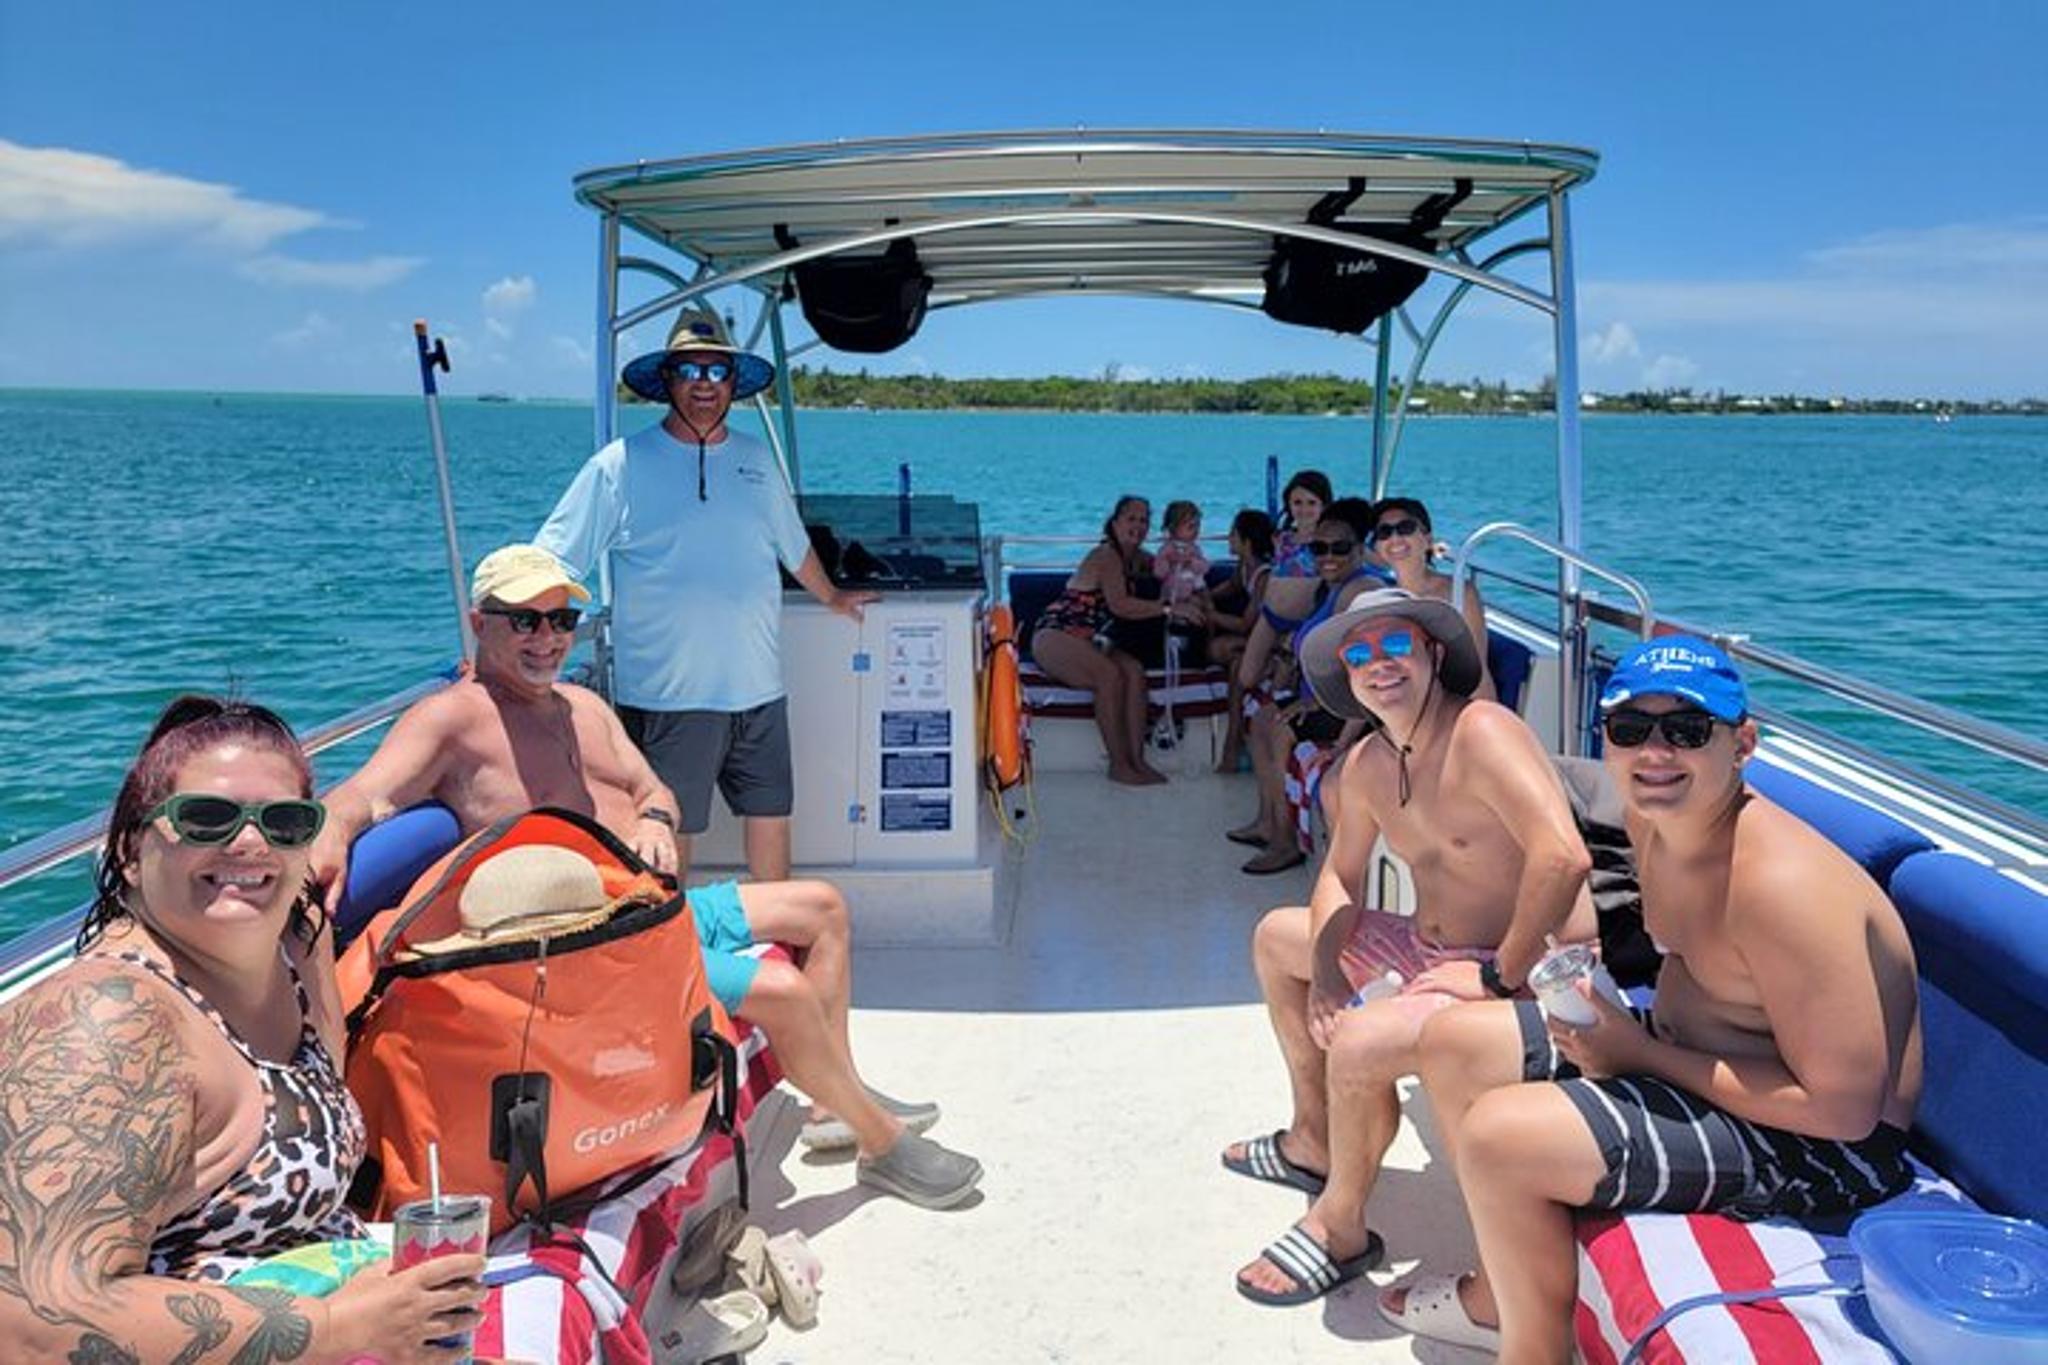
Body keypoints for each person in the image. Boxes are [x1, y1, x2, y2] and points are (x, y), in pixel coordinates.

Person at [311, 544, 982, 1210]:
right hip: (588, 954)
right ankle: (881, 1143)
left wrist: (656, 821)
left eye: (561, 620)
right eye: (523, 620)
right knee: (780, 985)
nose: (547, 638)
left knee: (822, 905)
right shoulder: (453, 717)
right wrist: (329, 831)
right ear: (478, 622)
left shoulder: (583, 706)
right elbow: (367, 794)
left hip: (649, 909)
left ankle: (838, 1097)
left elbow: (649, 786)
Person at [1382, 638, 1921, 1362]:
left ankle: (1531, 1348)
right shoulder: (1654, 822)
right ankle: (1506, 1292)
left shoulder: (1782, 885)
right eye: (1631, 729)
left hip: (1831, 1148)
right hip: (1703, 1057)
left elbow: (1846, 1111)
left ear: (1743, 744)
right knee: (1454, 1041)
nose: (1656, 752)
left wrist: (1638, 1054)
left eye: (1688, 730)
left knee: (1499, 1136)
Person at [0, 696, 488, 1363]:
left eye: (286, 821)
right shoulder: (108, 1020)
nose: (251, 842)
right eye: (206, 817)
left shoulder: (296, 941)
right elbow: (29, 1325)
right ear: (131, 847)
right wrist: (345, 1327)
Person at [1220, 589, 1597, 1307]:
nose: (1376, 663)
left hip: (1533, 974)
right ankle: (1314, 1139)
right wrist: (1328, 971)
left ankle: (1340, 1227)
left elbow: (1563, 857)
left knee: (1360, 1043)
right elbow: (1339, 873)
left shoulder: (1482, 730)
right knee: (1279, 938)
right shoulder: (1367, 763)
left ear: (1432, 654)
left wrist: (1495, 974)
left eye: (1395, 644)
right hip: (1439, 955)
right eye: (1358, 653)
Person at [536, 309, 877, 884]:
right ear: (667, 380)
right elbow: (553, 558)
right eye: (690, 369)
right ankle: (676, 960)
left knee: (772, 817)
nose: (703, 383)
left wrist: (833, 599)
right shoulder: (620, 464)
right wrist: (516, 637)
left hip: (760, 690)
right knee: (669, 833)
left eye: (717, 372)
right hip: (669, 697)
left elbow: (792, 547)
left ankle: (780, 939)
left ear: (733, 386)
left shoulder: (756, 460)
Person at [1228, 497, 1380, 873]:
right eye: (1319, 548)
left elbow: (1362, 671)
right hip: (1320, 700)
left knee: (1275, 728)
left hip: (1348, 709)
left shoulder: (1359, 592)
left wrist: (1331, 728)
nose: (1328, 556)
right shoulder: (1328, 588)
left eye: (1340, 548)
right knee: (1262, 717)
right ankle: (1269, 822)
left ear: (1360, 550)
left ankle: (1284, 841)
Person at [1028, 495, 1203, 786]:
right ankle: (1119, 764)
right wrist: (1170, 609)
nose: (1138, 525)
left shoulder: (1139, 558)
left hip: (1094, 640)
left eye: (1144, 520)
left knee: (1133, 672)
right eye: (1131, 518)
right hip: (1056, 634)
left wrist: (1194, 584)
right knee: (1108, 676)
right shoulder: (1106, 555)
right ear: (1115, 522)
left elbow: (1173, 570)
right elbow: (1120, 605)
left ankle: (1137, 761)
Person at [1368, 495, 1495, 701]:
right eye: (1384, 532)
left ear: (1427, 540)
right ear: (1377, 548)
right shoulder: (1383, 602)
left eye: (1406, 528)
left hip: (1451, 707)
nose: (1395, 539)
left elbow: (1477, 672)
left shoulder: (1460, 594)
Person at [1206, 508, 1275, 773]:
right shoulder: (1244, 567)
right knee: (1224, 655)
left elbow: (1247, 623)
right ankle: (1233, 745)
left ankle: (1232, 745)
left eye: (1233, 534)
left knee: (1225, 654)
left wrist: (1209, 614)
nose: (1228, 538)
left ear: (1247, 542)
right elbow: (1230, 588)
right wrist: (1201, 596)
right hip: (1252, 641)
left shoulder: (1264, 576)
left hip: (1269, 642)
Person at [1270, 468, 1334, 577]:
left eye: (1311, 503)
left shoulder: (1331, 542)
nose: (1304, 509)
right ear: (1289, 505)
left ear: (1323, 506)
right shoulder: (1281, 540)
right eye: (1297, 503)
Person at [1152, 499, 1212, 609]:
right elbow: (1159, 573)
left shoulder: (1194, 549)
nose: (1196, 530)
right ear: (1173, 528)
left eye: (1197, 526)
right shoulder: (1166, 550)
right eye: (1190, 527)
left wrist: (1191, 562)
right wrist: (1169, 561)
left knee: (1207, 605)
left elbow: (1205, 568)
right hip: (1172, 594)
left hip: (1194, 590)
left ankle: (1210, 621)